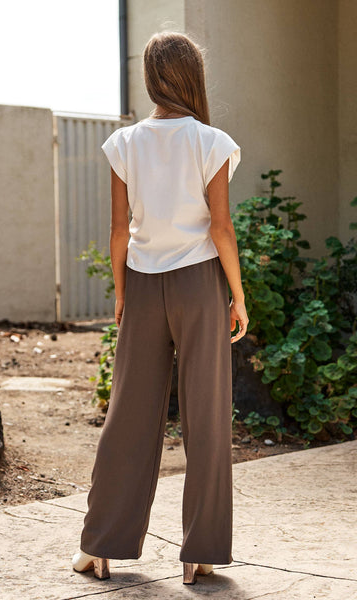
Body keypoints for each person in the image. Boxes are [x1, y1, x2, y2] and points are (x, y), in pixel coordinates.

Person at [72, 30, 249, 586]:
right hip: (200, 284)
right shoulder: (212, 141)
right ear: (192, 75)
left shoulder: (124, 144)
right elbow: (220, 227)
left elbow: (119, 229)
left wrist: (123, 293)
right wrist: (237, 296)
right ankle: (199, 555)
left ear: (150, 77)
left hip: (144, 285)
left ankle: (99, 548)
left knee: (128, 414)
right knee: (208, 417)